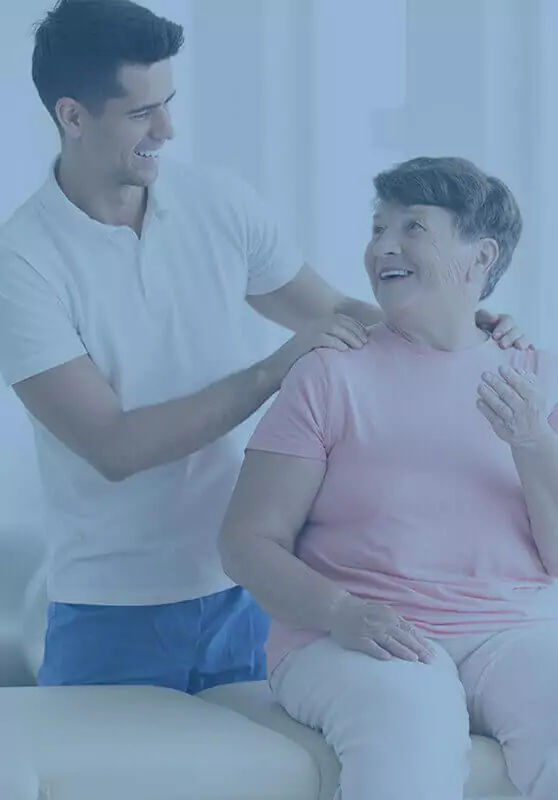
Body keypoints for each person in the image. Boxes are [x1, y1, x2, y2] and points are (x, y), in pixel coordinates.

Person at [0, 0, 524, 696]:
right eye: (141, 114)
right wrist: (276, 369)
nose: (167, 128)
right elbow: (113, 446)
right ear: (72, 116)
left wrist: (466, 331)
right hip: (111, 610)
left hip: (251, 597)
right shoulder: (23, 262)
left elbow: (338, 311)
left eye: (169, 103)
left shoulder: (217, 202)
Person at [219, 156, 558, 799]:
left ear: (480, 256)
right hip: (351, 635)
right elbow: (246, 541)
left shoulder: (539, 375)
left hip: (513, 632)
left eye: (413, 227)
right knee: (414, 716)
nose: (383, 246)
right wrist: (341, 611)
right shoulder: (331, 374)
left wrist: (535, 443)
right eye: (378, 227)